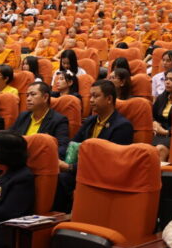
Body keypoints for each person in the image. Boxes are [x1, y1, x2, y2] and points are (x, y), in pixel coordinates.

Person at [55, 80, 134, 211]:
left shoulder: (122, 126)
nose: (90, 100)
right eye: (90, 96)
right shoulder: (91, 121)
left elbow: (109, 162)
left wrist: (69, 167)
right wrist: (55, 158)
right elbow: (73, 145)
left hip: (101, 175)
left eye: (95, 96)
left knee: (62, 179)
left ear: (109, 99)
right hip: (81, 169)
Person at [10, 81, 70, 157]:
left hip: (39, 159)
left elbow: (62, 148)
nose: (28, 99)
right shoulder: (23, 116)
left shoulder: (59, 120)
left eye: (33, 94)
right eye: (27, 95)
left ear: (45, 97)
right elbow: (11, 135)